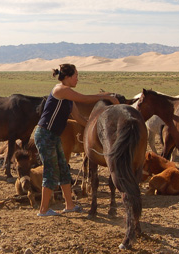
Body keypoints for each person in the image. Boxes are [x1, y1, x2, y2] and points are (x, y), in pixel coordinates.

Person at [35, 63, 120, 216]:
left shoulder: (68, 96)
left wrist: (94, 128)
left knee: (63, 168)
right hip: (45, 135)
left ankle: (69, 205)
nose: (77, 79)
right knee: (51, 171)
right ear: (67, 77)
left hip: (54, 135)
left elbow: (78, 117)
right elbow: (85, 99)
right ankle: (43, 210)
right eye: (76, 76)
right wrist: (106, 97)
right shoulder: (61, 90)